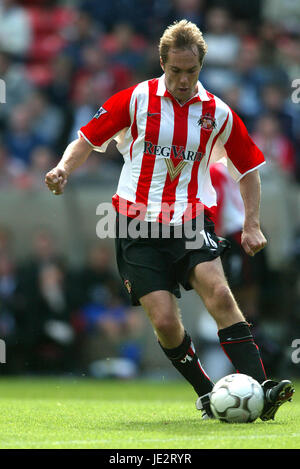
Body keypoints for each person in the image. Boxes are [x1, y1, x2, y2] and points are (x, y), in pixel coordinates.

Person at [45, 20, 294, 420]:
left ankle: (262, 391)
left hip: (191, 219)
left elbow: (249, 169)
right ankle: (207, 393)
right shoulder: (137, 99)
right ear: (162, 63)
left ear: (201, 66)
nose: (182, 79)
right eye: (175, 70)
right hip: (135, 224)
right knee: (163, 320)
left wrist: (252, 223)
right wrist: (62, 169)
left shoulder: (219, 114)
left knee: (220, 293)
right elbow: (87, 139)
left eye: (190, 72)